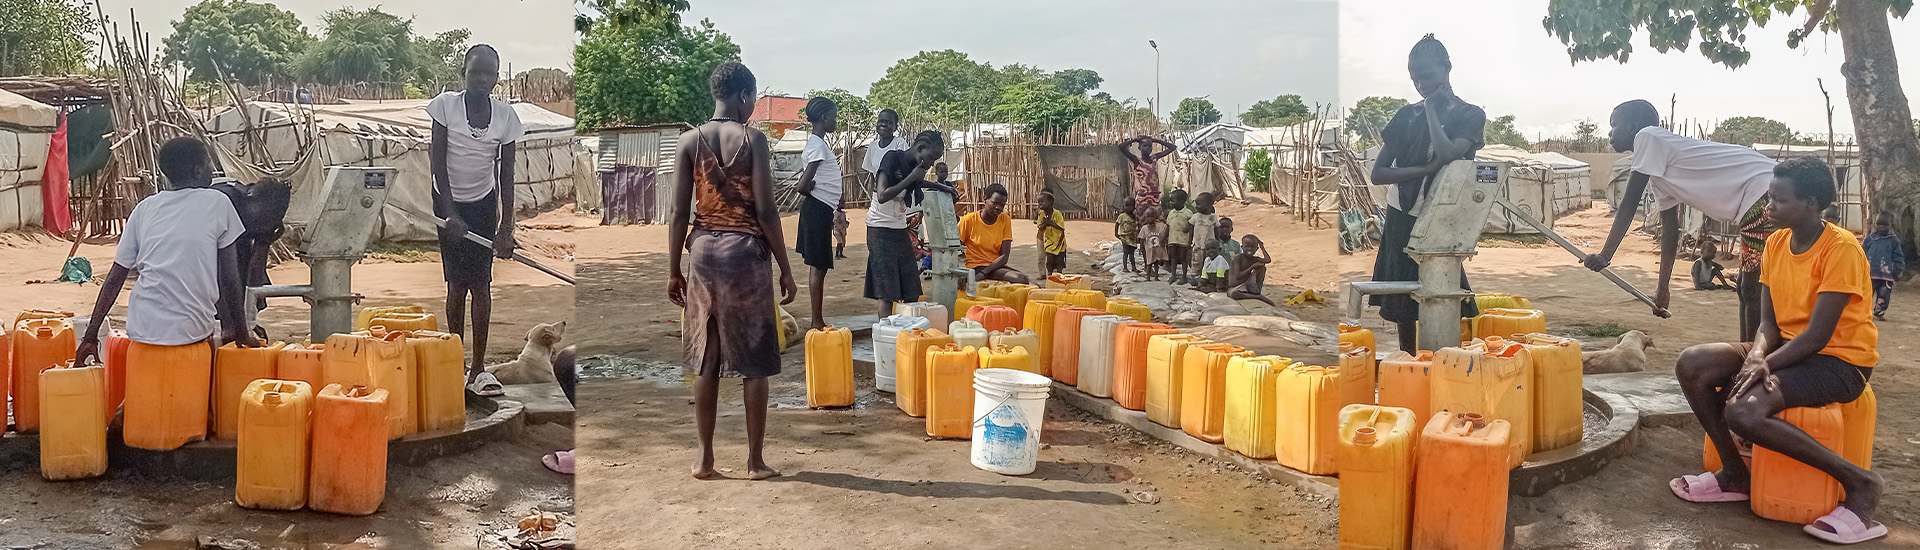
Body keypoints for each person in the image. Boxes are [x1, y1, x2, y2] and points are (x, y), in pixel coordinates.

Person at [1669, 157, 1885, 545]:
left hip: (1840, 361)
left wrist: (1764, 362)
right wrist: (1755, 356)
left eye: (1779, 200)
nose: (1768, 207)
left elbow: (1818, 336)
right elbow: (1769, 323)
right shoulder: (1776, 243)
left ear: (1811, 203)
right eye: (1769, 196)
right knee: (1693, 364)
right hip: (1786, 348)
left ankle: (1862, 484)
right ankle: (1734, 474)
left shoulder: (1841, 249)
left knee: (1743, 410)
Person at [76, 137, 256, 450]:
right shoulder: (217, 203)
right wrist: (240, 331)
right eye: (211, 165)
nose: (214, 172)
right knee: (210, 373)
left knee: (151, 392)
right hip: (192, 333)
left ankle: (128, 414)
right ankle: (201, 419)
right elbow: (230, 278)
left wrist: (90, 336)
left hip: (142, 331)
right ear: (200, 170)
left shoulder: (144, 210)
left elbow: (115, 277)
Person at [667, 61, 797, 481]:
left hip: (702, 254)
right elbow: (766, 210)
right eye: (754, 98)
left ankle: (705, 460)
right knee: (754, 361)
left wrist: (674, 270)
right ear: (744, 96)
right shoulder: (753, 140)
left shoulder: (689, 141)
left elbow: (676, 213)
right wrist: (785, 267)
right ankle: (755, 462)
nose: (754, 106)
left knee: (706, 357)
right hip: (745, 255)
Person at [1586, 99, 1779, 338]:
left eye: (1614, 125)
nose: (1610, 132)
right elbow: (1670, 232)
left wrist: (1605, 255)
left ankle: (1752, 359)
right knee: (1747, 287)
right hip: (1764, 189)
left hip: (1765, 190)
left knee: (1752, 287)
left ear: (1633, 126)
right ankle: (1748, 355)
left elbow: (1628, 202)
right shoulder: (1659, 170)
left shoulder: (1647, 137)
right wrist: (1663, 287)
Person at [1367, 34, 1486, 352]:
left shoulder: (1469, 115)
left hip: (1445, 212)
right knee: (1401, 292)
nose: (1420, 83)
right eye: (1414, 77)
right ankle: (1408, 360)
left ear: (1447, 68)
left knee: (1443, 282)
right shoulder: (1405, 117)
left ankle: (1444, 355)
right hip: (1402, 210)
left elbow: (1448, 154)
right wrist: (1421, 170)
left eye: (1427, 75)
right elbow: (1379, 173)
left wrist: (1432, 111)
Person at [427, 44, 525, 390]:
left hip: (484, 203)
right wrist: (450, 213)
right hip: (447, 200)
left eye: (488, 73)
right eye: (475, 72)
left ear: (497, 78)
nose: (481, 78)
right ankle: (456, 362)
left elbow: (507, 176)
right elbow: (437, 165)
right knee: (456, 285)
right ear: (463, 74)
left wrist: (506, 228)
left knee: (481, 284)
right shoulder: (444, 107)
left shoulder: (506, 117)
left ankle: (479, 369)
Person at [868, 130, 954, 318]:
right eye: (930, 158)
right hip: (880, 229)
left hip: (899, 229)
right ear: (920, 148)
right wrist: (911, 177)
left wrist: (943, 187)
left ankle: (910, 332)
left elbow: (920, 182)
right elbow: (882, 195)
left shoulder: (915, 166)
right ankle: (886, 336)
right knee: (887, 291)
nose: (931, 164)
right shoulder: (892, 159)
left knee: (911, 287)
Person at [794, 96, 842, 330]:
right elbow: (802, 185)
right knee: (818, 266)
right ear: (824, 118)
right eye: (834, 116)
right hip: (817, 209)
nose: (836, 120)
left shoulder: (818, 144)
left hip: (820, 209)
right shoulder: (817, 146)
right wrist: (810, 187)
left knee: (819, 266)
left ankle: (817, 318)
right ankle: (816, 320)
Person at [960, 183, 1030, 284]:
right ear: (985, 199)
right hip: (976, 266)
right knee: (1020, 279)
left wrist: (984, 273)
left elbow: (1004, 256)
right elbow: (953, 247)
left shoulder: (1004, 219)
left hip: (995, 266)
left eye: (1002, 205)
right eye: (994, 203)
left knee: (1028, 280)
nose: (998, 208)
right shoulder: (969, 220)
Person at [1863, 212, 1903, 320]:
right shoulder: (1869, 239)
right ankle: (1863, 312)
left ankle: (1879, 312)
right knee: (1865, 295)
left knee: (1884, 296)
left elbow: (1898, 257)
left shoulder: (1894, 241)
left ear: (1891, 226)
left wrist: (1897, 271)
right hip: (1869, 275)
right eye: (1879, 224)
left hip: (1886, 276)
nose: (1882, 227)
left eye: (1885, 225)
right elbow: (1861, 253)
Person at [1120, 134, 1176, 211]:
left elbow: (1173, 147)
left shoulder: (1154, 158)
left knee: (1157, 220)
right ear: (1139, 148)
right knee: (1143, 220)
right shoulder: (1137, 161)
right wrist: (1134, 140)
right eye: (1145, 146)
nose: (1148, 148)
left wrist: (1156, 140)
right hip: (1143, 198)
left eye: (1150, 146)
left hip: (1155, 197)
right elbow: (1121, 147)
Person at [863, 109, 910, 183]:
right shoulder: (872, 146)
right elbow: (872, 176)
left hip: (896, 191)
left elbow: (906, 170)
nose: (884, 124)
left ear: (895, 127)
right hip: (877, 193)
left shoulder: (899, 143)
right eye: (881, 121)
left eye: (889, 122)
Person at [1227, 234, 1276, 306]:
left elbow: (1267, 260)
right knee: (1233, 294)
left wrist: (1262, 247)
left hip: (1248, 287)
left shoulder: (1254, 259)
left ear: (1256, 249)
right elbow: (1238, 276)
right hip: (1236, 287)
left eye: (1252, 247)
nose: (1249, 249)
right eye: (1247, 246)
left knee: (1262, 267)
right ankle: (1257, 297)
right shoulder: (1238, 258)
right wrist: (1252, 267)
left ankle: (1256, 291)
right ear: (1242, 247)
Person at [1164, 189, 1194, 285]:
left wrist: (1189, 242)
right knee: (1173, 258)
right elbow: (1168, 226)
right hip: (1172, 240)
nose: (1170, 203)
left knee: (1183, 258)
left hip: (1183, 241)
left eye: (1173, 201)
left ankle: (1184, 276)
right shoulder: (1171, 213)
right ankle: (1173, 275)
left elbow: (1192, 227)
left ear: (1181, 201)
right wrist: (1165, 239)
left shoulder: (1188, 213)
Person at [1189, 192, 1220, 284]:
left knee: (1209, 262)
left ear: (1208, 205)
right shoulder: (1195, 217)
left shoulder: (1213, 217)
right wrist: (1189, 242)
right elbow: (1191, 230)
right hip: (1197, 245)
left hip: (1209, 247)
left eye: (1198, 204)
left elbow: (1217, 230)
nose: (1196, 206)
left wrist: (1218, 242)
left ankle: (1207, 278)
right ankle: (1196, 278)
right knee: (1196, 262)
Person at [1036, 191, 1068, 276]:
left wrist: (1048, 222)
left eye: (1042, 201)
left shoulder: (1057, 214)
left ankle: (1059, 276)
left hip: (1059, 243)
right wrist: (1045, 223)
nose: (1039, 204)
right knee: (1049, 262)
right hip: (1049, 243)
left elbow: (1061, 227)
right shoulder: (1041, 215)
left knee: (1059, 263)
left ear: (1050, 202)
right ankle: (1050, 277)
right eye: (1038, 202)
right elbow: (1040, 227)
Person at [1138, 206, 1168, 281]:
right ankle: (1148, 277)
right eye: (1148, 217)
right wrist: (1141, 248)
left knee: (1156, 264)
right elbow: (1141, 238)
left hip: (1157, 249)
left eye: (1152, 217)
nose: (1150, 219)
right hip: (1149, 250)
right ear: (1145, 217)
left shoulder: (1159, 226)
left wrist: (1163, 220)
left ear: (1156, 217)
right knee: (1149, 264)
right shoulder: (1144, 228)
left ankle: (1156, 277)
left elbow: (1167, 227)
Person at [1114, 198, 1139, 273]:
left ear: (1134, 206)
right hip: (1124, 237)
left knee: (1132, 254)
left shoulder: (1135, 216)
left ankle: (1133, 267)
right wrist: (1116, 233)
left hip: (1132, 238)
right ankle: (1125, 267)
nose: (1128, 208)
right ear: (1123, 206)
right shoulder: (1122, 216)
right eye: (1126, 205)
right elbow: (1117, 224)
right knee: (1125, 252)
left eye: (1130, 206)